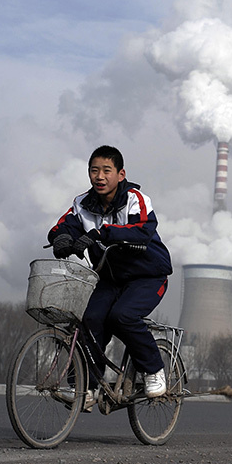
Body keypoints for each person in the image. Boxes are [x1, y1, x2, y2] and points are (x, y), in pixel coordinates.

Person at [48, 145, 173, 406]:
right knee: (90, 320)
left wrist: (99, 234)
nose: (100, 177)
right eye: (94, 171)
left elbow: (141, 230)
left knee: (122, 316)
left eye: (106, 170)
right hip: (111, 278)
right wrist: (61, 238)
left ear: (120, 174)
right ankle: (86, 388)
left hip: (148, 276)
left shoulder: (135, 199)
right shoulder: (82, 203)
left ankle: (154, 370)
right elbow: (63, 225)